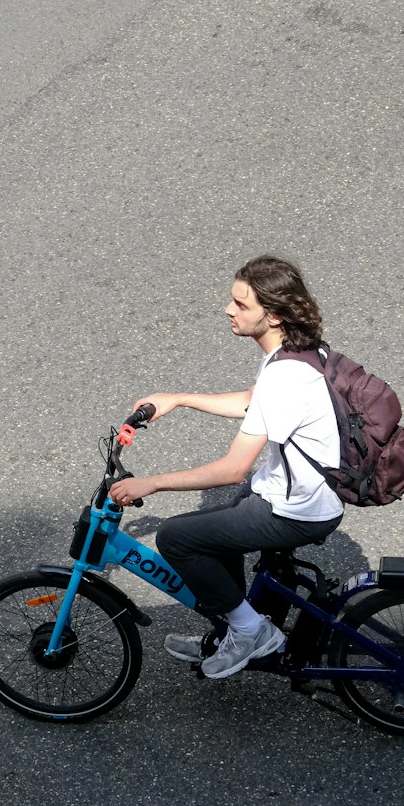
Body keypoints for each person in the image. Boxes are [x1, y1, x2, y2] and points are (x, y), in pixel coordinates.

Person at [109, 255, 343, 680]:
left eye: (240, 304)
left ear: (271, 315)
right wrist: (178, 398)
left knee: (177, 538)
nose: (228, 310)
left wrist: (153, 483)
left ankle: (251, 632)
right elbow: (251, 401)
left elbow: (234, 468)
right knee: (218, 534)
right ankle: (235, 628)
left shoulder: (285, 377)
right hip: (293, 491)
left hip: (294, 511)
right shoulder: (297, 353)